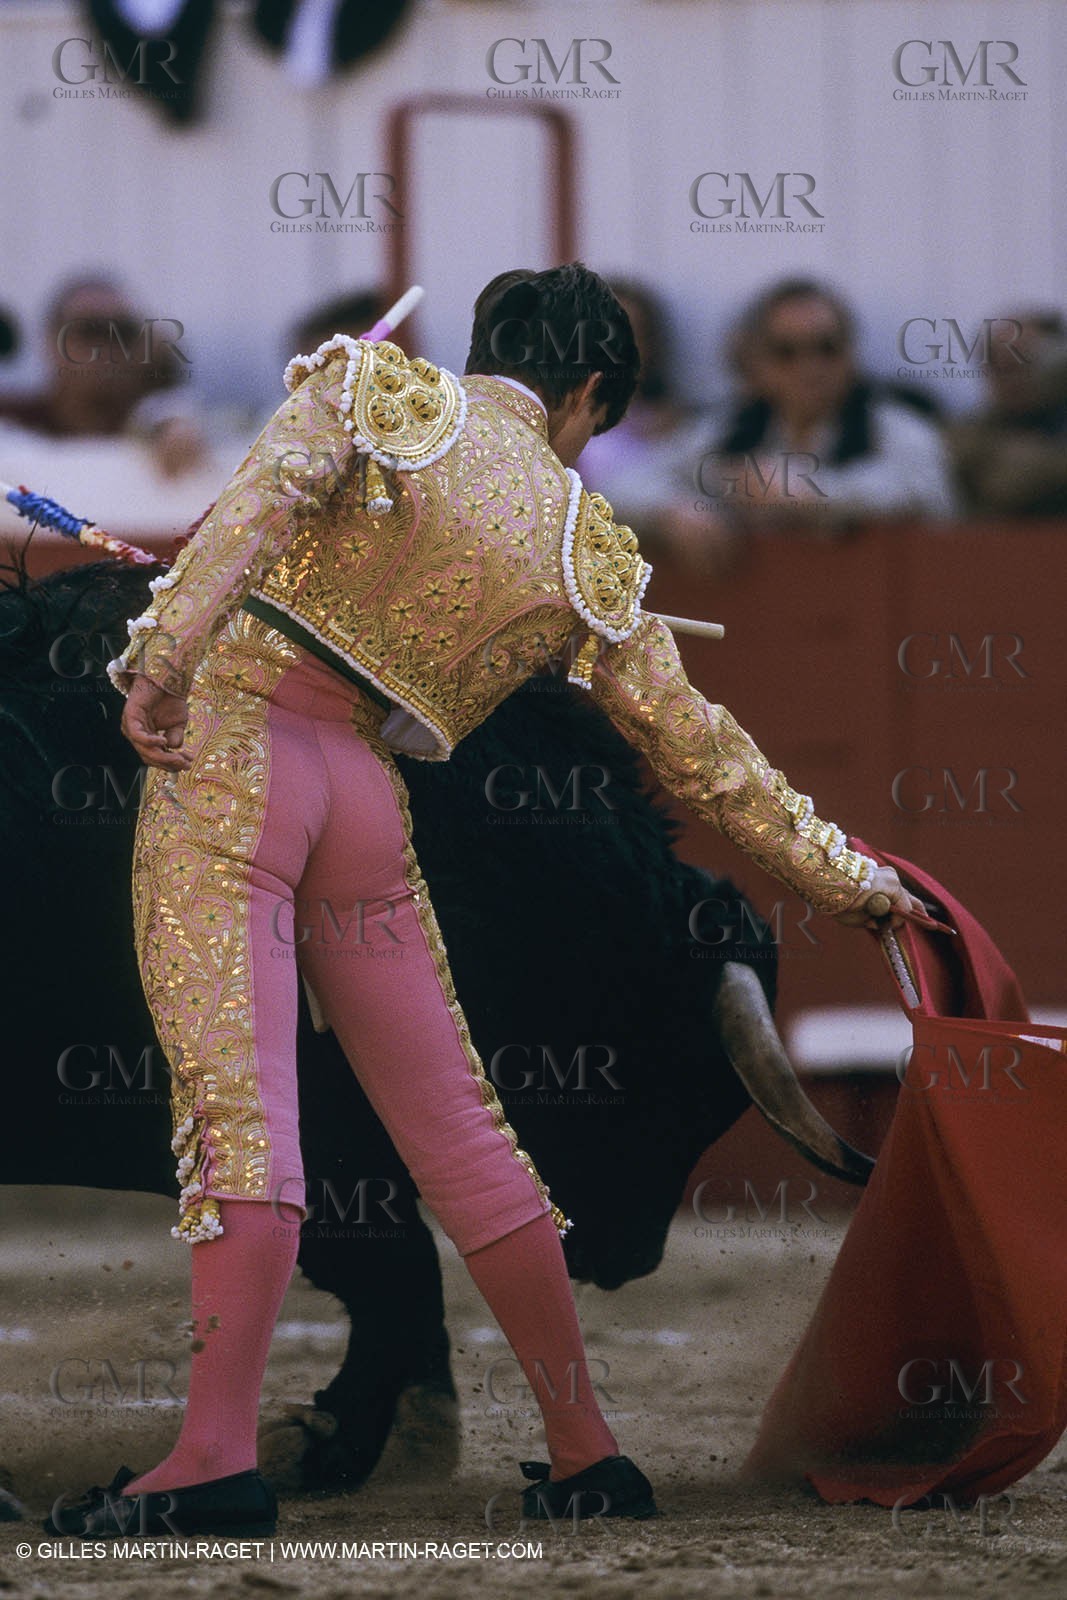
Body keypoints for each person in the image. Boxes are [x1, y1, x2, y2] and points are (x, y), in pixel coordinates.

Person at [45, 263, 921, 1539]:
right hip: (362, 798)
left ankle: (210, 1462)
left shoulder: (369, 385)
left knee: (240, 1108)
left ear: (488, 350)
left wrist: (157, 664)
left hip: (230, 756)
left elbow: (248, 514)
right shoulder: (585, 548)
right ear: (584, 395)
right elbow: (707, 760)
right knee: (460, 1128)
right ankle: (584, 1452)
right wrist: (852, 879)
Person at [705, 276, 956, 532]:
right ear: (759, 363)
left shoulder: (897, 427)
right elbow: (665, 474)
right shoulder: (730, 428)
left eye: (827, 348)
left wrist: (808, 493)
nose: (810, 368)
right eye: (786, 352)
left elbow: (928, 496)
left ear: (851, 352)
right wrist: (678, 513)